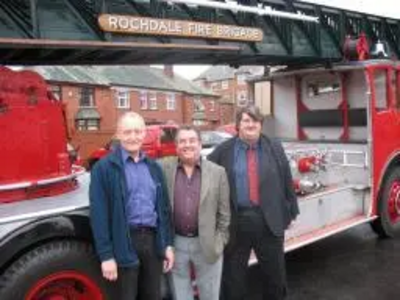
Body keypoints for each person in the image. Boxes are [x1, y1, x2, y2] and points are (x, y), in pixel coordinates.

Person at [208, 105, 299, 300]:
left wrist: (291, 211)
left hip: (268, 221)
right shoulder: (223, 151)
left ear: (261, 124)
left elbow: (286, 179)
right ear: (238, 125)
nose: (251, 124)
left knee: (275, 277)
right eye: (246, 120)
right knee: (233, 279)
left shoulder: (274, 147)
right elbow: (207, 182)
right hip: (236, 222)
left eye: (255, 120)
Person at [89, 112, 174, 300]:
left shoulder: (154, 168)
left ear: (144, 134)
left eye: (137, 131)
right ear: (118, 134)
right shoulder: (103, 169)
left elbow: (164, 210)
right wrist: (106, 256)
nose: (133, 137)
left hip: (152, 242)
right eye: (127, 132)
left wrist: (167, 245)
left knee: (153, 295)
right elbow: (99, 215)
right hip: (123, 241)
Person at [159, 125, 230, 300]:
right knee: (180, 295)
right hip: (175, 244)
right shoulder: (163, 168)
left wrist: (218, 243)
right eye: (182, 141)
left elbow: (224, 215)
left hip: (207, 244)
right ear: (176, 146)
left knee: (210, 295)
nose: (187, 145)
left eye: (192, 140)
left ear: (200, 144)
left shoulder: (217, 172)